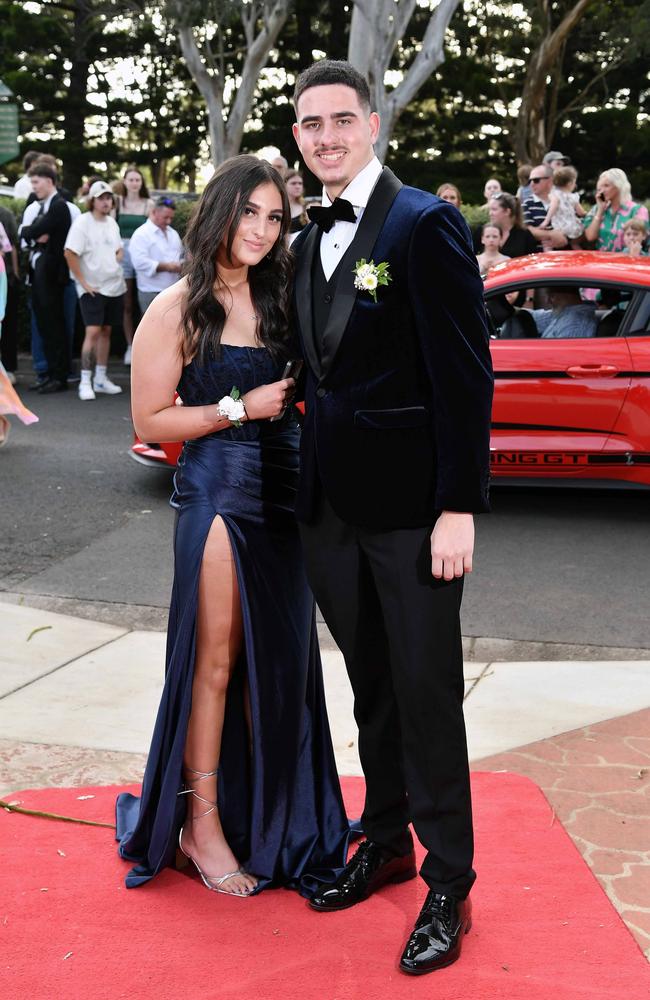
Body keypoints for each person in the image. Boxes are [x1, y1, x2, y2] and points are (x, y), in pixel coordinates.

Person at [291, 60, 493, 976]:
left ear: (372, 124)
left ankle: (449, 881)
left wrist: (459, 508)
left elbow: (464, 376)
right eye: (309, 125)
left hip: (416, 516)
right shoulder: (302, 240)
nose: (325, 137)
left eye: (341, 120)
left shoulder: (423, 223)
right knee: (370, 686)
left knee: (424, 694)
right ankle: (387, 841)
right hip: (330, 510)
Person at [115, 154, 350, 898]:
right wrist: (236, 409)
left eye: (275, 217)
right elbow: (150, 419)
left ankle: (278, 817)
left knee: (279, 660)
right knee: (214, 664)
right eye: (250, 211)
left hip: (286, 499)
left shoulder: (283, 296)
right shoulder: (178, 303)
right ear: (221, 210)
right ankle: (200, 826)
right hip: (218, 495)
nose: (261, 228)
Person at [64, 181, 126, 400]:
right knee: (92, 332)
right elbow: (70, 253)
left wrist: (117, 256)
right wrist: (83, 282)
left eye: (108, 197)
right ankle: (85, 380)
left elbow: (118, 248)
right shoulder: (82, 223)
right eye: (101, 198)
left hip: (113, 286)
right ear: (92, 200)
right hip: (92, 289)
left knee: (106, 331)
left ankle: (100, 378)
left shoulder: (111, 222)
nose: (105, 201)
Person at [19, 162, 74, 393]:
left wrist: (34, 232)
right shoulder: (44, 205)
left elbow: (29, 231)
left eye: (36, 182)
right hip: (41, 275)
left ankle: (58, 376)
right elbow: (26, 233)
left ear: (49, 181)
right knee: (44, 324)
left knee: (54, 326)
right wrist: (33, 232)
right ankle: (50, 374)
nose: (33, 187)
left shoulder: (59, 207)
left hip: (53, 276)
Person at [113, 166, 154, 364]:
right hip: (123, 255)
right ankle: (130, 345)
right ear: (125, 181)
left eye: (138, 180)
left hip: (144, 255)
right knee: (127, 303)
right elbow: (111, 229)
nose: (134, 183)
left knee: (146, 302)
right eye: (131, 179)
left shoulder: (149, 204)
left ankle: (146, 345)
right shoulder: (117, 203)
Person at [128, 196, 183, 314]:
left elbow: (179, 256)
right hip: (151, 292)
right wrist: (168, 267)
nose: (169, 221)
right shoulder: (141, 234)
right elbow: (139, 263)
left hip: (173, 291)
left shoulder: (173, 233)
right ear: (154, 212)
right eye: (165, 217)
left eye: (171, 218)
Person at [583, 168, 649, 252]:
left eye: (606, 186)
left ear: (619, 186)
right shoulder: (597, 208)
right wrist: (600, 211)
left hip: (626, 261)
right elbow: (590, 237)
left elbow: (642, 239)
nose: (602, 191)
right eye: (599, 188)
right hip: (601, 261)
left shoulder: (638, 210)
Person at [522, 164, 570, 249]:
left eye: (536, 180)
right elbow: (527, 230)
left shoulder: (565, 200)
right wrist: (552, 234)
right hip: (540, 258)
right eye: (530, 181)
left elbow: (576, 226)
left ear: (550, 180)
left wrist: (564, 238)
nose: (531, 184)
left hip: (566, 256)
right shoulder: (526, 204)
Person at [538, 165, 585, 244]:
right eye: (574, 182)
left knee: (549, 241)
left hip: (560, 225)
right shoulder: (573, 197)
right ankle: (576, 247)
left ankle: (548, 249)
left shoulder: (554, 194)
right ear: (570, 183)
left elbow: (553, 205)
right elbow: (581, 212)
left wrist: (546, 221)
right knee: (575, 241)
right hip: (572, 226)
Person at [529, 287, 597, 339]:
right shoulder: (564, 313)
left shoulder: (575, 325)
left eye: (552, 296)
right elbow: (532, 317)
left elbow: (560, 356)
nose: (547, 301)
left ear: (569, 296)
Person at [0, 211, 19, 384]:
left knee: (7, 325)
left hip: (4, 279)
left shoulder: (5, 216)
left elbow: (10, 248)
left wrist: (15, 275)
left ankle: (9, 368)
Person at [285, 169, 309, 236]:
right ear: (284, 185)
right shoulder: (278, 205)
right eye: (293, 183)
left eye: (300, 183)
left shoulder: (306, 207)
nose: (297, 186)